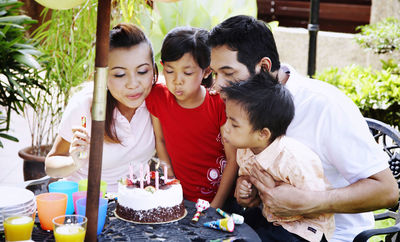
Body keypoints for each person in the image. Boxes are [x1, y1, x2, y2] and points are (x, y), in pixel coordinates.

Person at [208, 15, 398, 241]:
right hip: (266, 228)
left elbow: (387, 191)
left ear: (264, 66)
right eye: (214, 73)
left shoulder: (325, 106)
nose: (216, 87)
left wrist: (308, 203)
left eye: (228, 74)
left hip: (331, 235)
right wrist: (252, 192)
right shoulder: (237, 108)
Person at [221, 72, 334, 242]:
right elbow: (247, 178)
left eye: (234, 124)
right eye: (227, 119)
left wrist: (285, 199)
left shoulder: (294, 160)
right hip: (269, 217)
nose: (225, 127)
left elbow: (318, 205)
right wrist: (245, 186)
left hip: (302, 230)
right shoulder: (244, 150)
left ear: (263, 134)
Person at [45, 23, 158, 193]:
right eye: (120, 74)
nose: (133, 84)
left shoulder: (157, 101)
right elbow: (50, 165)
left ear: (154, 70)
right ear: (103, 76)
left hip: (133, 204)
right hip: (86, 203)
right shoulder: (85, 104)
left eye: (142, 71)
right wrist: (74, 162)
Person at [145, 26, 238, 208]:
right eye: (170, 71)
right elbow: (160, 140)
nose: (177, 80)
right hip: (178, 198)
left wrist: (215, 206)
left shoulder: (218, 103)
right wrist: (170, 176)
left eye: (187, 73)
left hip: (219, 200)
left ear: (206, 71)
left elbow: (233, 160)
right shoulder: (158, 97)